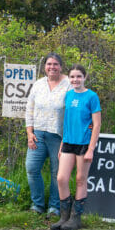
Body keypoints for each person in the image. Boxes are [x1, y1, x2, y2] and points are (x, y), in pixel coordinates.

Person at [51, 64, 101, 230]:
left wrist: (91, 149)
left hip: (84, 144)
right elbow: (66, 122)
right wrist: (61, 145)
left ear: (84, 78)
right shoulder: (68, 95)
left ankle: (75, 218)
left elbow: (97, 124)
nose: (75, 80)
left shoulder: (92, 97)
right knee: (61, 178)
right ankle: (64, 217)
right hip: (68, 143)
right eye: (72, 77)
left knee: (80, 179)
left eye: (79, 76)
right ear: (69, 78)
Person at [25, 52, 72, 218]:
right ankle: (37, 204)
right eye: (49, 64)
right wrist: (29, 133)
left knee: (57, 173)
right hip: (37, 134)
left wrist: (66, 141)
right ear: (45, 66)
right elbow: (29, 109)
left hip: (59, 137)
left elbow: (73, 113)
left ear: (61, 66)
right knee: (31, 168)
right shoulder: (38, 84)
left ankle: (54, 207)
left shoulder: (68, 85)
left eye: (55, 64)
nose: (52, 67)